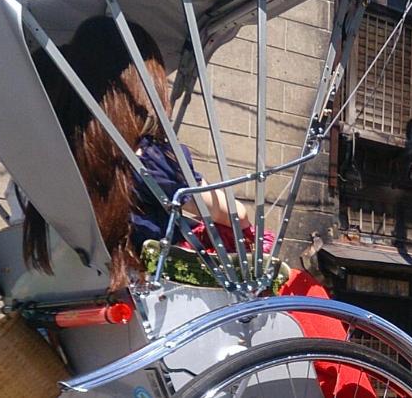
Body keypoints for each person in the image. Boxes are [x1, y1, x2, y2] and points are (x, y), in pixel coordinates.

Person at [21, 16, 260, 292]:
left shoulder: (48, 161)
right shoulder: (148, 160)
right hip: (145, 293)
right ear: (142, 87)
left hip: (73, 294)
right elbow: (235, 215)